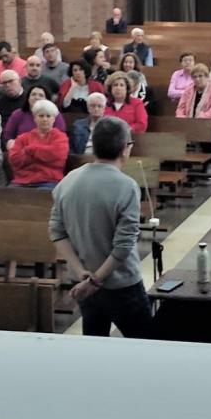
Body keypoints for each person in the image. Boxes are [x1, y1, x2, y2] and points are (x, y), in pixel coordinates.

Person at [51, 116, 151, 338]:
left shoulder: (68, 181)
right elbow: (123, 246)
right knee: (145, 345)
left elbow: (57, 232)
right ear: (125, 148)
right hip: (121, 283)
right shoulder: (126, 186)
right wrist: (97, 279)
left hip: (83, 281)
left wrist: (82, 274)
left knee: (94, 348)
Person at [8, 100, 69, 188]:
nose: (45, 119)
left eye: (48, 116)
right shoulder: (23, 138)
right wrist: (42, 155)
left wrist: (29, 150)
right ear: (35, 118)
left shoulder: (60, 137)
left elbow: (56, 155)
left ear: (54, 119)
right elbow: (14, 160)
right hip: (22, 180)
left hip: (49, 180)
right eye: (41, 116)